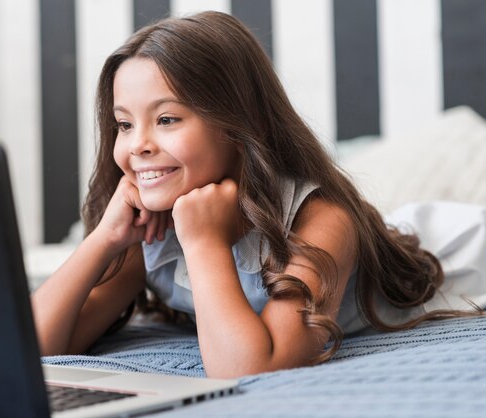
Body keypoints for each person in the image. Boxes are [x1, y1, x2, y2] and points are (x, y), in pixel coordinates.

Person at [31, 11, 484, 378]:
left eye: (167, 119)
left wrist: (205, 242)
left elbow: (253, 369)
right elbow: (33, 348)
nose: (138, 145)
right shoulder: (151, 226)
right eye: (125, 124)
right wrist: (102, 241)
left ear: (239, 125)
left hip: (462, 253)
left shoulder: (322, 219)